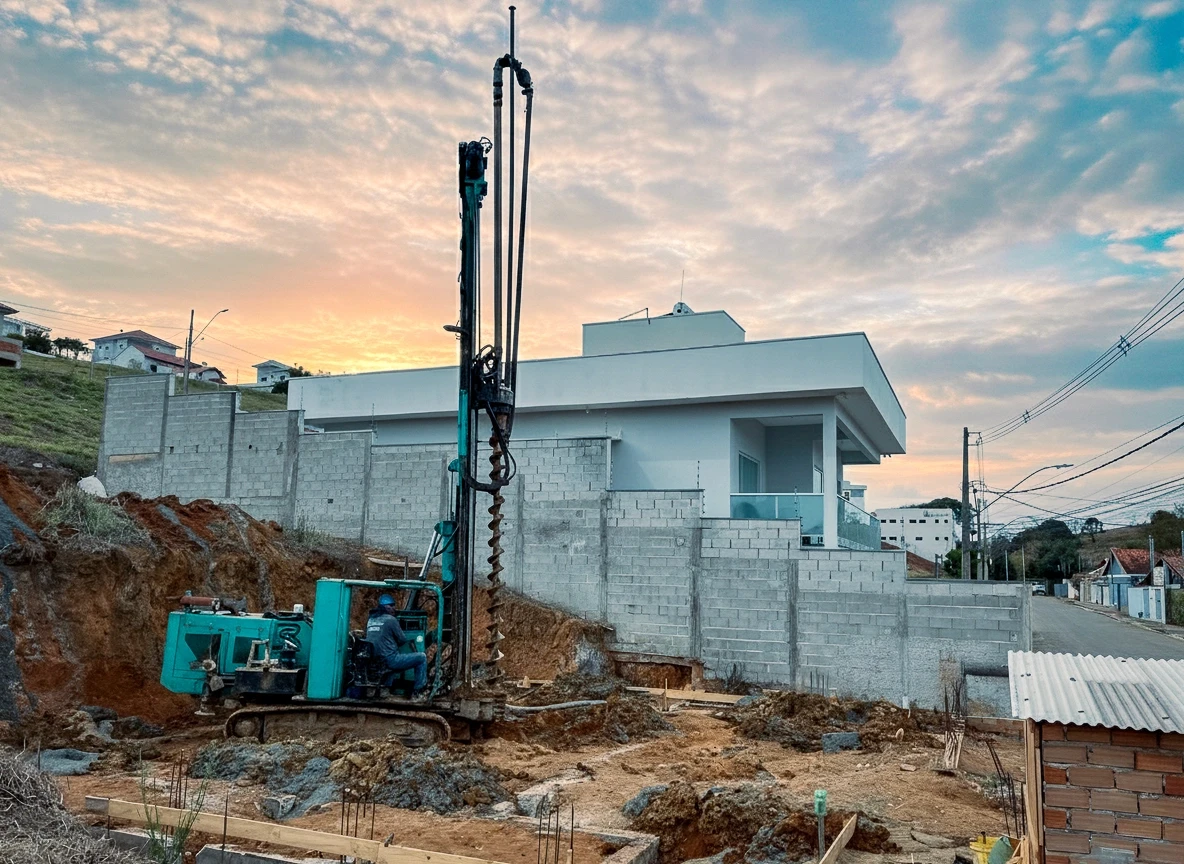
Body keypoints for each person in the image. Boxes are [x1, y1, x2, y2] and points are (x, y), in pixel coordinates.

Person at [365, 593, 428, 696]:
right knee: (421, 657)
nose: (394, 608)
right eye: (391, 605)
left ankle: (387, 688)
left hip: (374, 660)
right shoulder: (391, 620)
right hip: (390, 660)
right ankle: (418, 692)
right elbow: (402, 639)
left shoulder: (371, 620)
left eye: (394, 605)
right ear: (385, 607)